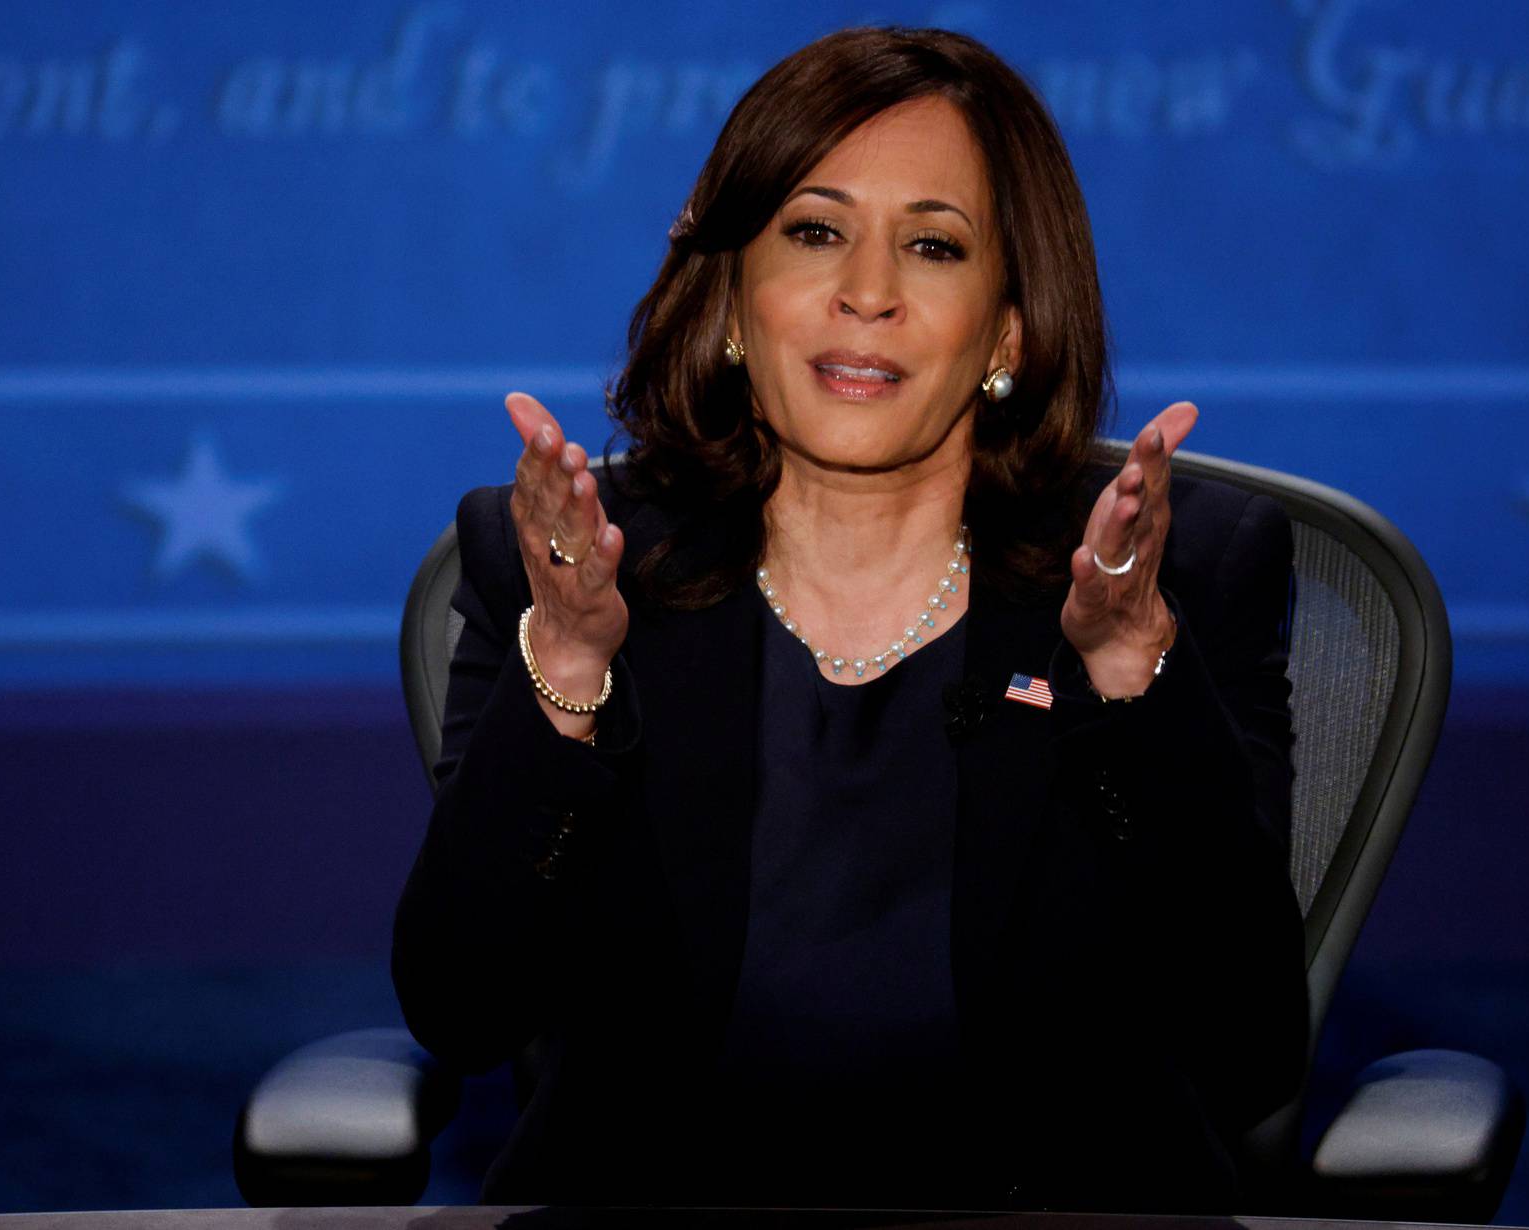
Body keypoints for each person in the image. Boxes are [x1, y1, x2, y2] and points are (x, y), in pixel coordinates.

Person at [392, 26, 1306, 1214]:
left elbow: (1250, 1049)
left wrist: (1132, 671)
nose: (866, 294)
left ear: (1009, 331)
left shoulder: (1175, 577)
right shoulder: (588, 574)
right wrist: (567, 666)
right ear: (730, 296)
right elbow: (462, 1011)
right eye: (814, 232)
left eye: (933, 247)